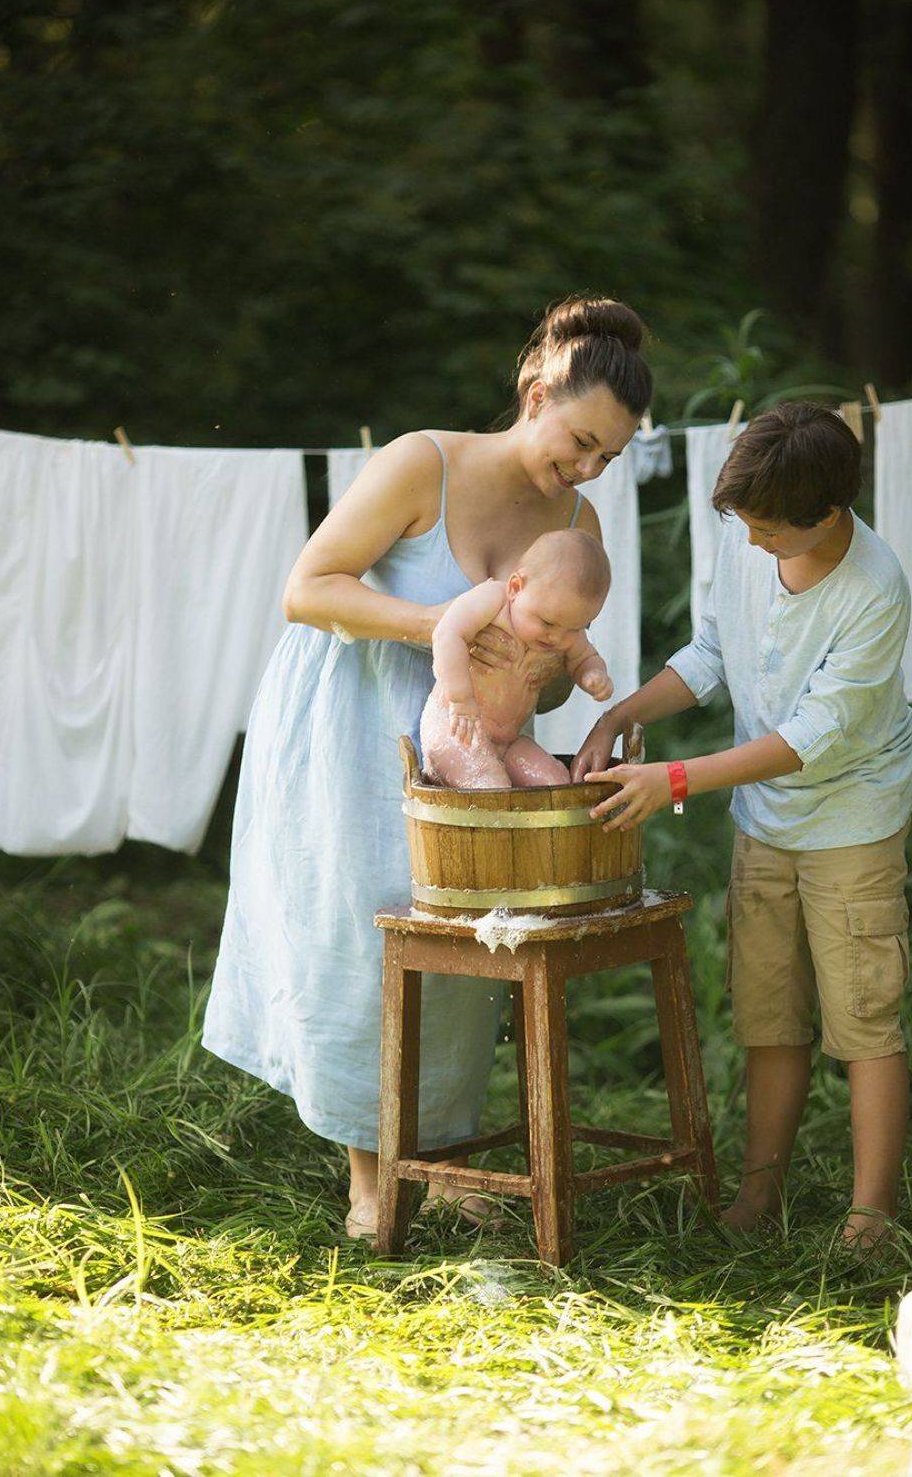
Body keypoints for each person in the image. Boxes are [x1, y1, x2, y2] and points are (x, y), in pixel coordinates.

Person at [202, 295, 649, 1238]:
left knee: (464, 945)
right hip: (354, 725)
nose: (588, 467)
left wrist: (543, 671)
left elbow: (554, 684)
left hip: (473, 760)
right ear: (534, 394)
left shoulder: (578, 525)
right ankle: (372, 1179)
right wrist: (445, 629)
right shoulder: (422, 463)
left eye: (608, 455)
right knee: (365, 942)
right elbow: (306, 588)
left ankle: (439, 1158)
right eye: (579, 441)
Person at [572, 402, 912, 1250]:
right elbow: (712, 653)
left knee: (864, 1019)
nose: (754, 543)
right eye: (747, 526)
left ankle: (870, 1219)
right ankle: (758, 1198)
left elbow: (808, 740)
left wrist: (677, 779)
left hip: (854, 820)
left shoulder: (874, 591)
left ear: (828, 514)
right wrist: (621, 714)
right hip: (764, 819)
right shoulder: (747, 532)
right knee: (769, 1013)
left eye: (769, 531)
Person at [422, 529, 612, 790]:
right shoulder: (493, 601)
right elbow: (447, 634)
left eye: (574, 628)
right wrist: (460, 699)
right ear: (515, 587)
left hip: (509, 740)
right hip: (456, 728)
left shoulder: (563, 627)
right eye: (546, 622)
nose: (557, 637)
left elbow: (585, 657)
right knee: (490, 787)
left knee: (555, 783)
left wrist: (593, 674)